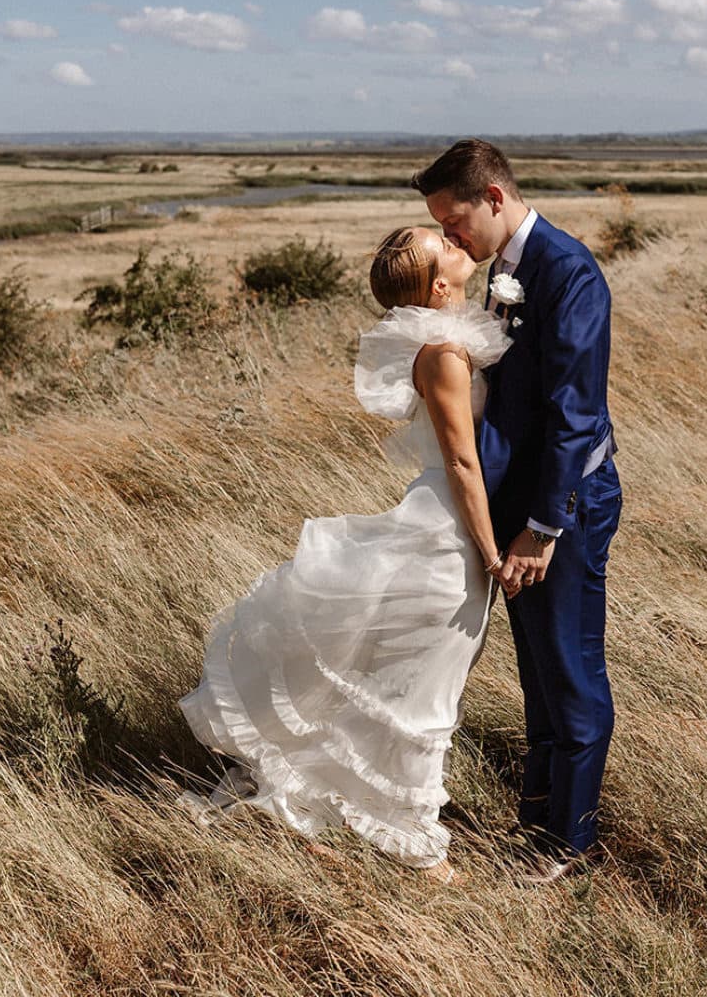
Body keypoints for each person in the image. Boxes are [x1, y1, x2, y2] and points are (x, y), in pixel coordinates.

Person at [178, 225, 514, 884]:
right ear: (440, 286)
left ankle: (301, 805)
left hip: (448, 525)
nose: (453, 239)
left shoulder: (454, 338)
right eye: (439, 244)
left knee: (405, 685)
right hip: (448, 536)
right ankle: (422, 854)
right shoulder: (443, 353)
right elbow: (463, 464)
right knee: (427, 697)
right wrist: (494, 554)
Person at [413, 139, 621, 884]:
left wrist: (541, 529)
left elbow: (575, 416)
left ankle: (569, 847)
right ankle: (535, 825)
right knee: (537, 675)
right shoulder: (504, 269)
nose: (451, 237)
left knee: (571, 674)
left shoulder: (568, 273)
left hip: (558, 512)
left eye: (455, 219)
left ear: (494, 197)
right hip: (515, 511)